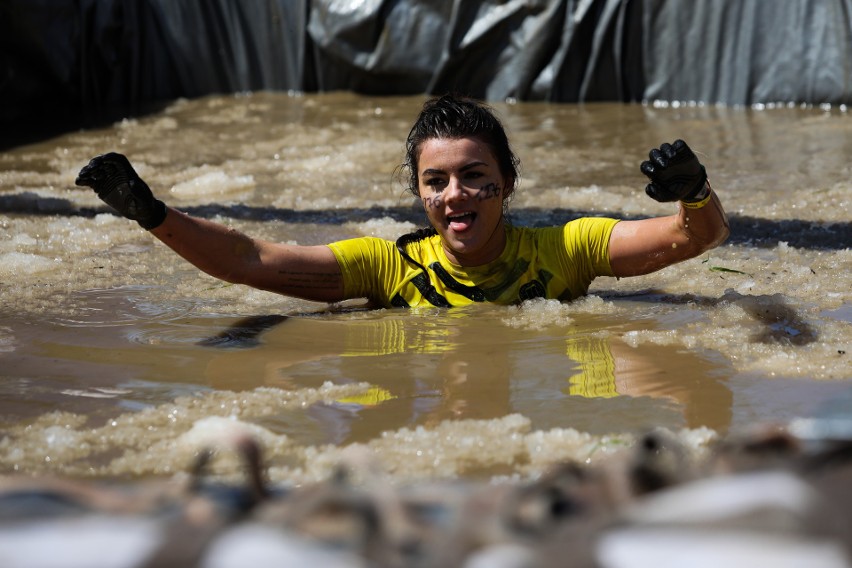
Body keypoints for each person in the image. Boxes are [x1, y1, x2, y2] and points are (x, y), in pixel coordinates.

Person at [75, 94, 730, 309]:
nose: (456, 196)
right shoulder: (387, 268)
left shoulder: (566, 250)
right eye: (436, 181)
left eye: (474, 176)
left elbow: (694, 238)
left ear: (507, 182)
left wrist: (693, 194)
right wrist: (152, 214)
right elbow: (251, 259)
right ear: (419, 193)